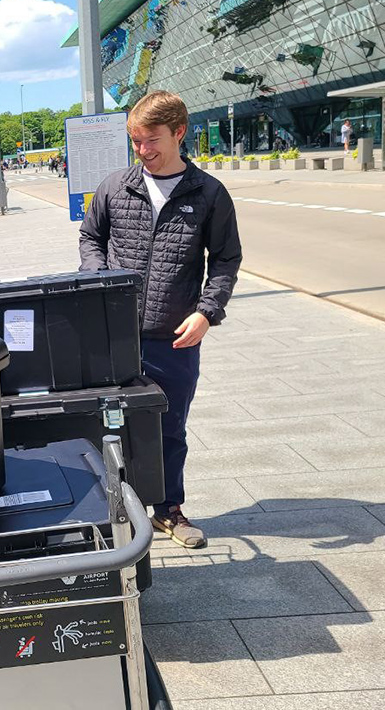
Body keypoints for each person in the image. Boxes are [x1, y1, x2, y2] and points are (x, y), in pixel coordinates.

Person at [78, 91, 242, 549]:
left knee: (169, 427)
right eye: (136, 141)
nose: (142, 150)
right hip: (112, 333)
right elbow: (91, 237)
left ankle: (168, 509)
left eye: (152, 140)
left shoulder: (208, 193)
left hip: (173, 338)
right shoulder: (115, 186)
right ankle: (107, 512)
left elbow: (226, 260)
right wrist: (99, 279)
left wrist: (206, 312)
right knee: (105, 425)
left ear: (179, 133)